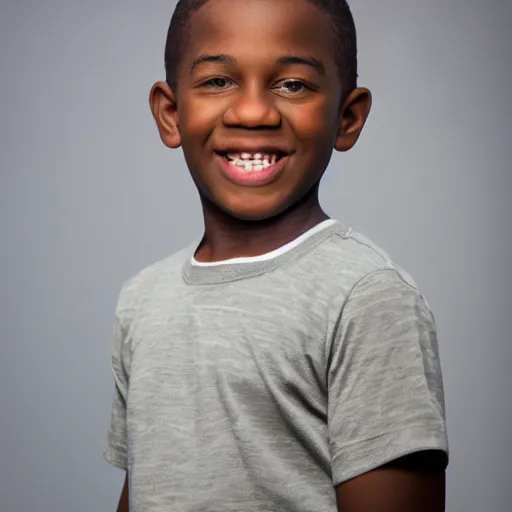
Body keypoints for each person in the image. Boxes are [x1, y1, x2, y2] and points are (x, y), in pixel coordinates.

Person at [104, 0, 449, 510]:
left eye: (292, 85)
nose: (253, 112)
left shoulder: (367, 299)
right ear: (171, 113)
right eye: (218, 81)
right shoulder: (142, 299)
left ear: (346, 118)